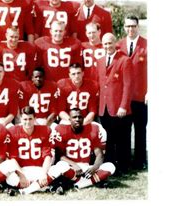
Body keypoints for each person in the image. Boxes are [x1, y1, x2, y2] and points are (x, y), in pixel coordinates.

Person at [51, 108, 115, 189]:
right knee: (60, 165)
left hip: (86, 168)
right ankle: (90, 182)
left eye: (80, 117)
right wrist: (74, 165)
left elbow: (100, 155)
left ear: (83, 119)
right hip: (71, 167)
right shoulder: (62, 130)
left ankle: (78, 184)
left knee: (110, 166)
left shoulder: (92, 130)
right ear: (69, 119)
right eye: (74, 117)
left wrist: (94, 168)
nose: (77, 119)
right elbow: (60, 155)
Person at [96, 33, 133, 175]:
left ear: (115, 43)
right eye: (105, 44)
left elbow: (128, 85)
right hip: (104, 107)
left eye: (110, 43)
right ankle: (110, 166)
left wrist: (123, 105)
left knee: (121, 138)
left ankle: (124, 166)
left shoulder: (124, 60)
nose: (107, 46)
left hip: (118, 107)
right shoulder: (100, 61)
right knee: (109, 138)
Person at [5, 106, 61, 195]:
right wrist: (22, 176)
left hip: (40, 169)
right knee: (8, 174)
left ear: (35, 118)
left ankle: (26, 189)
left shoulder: (45, 130)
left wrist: (43, 173)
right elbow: (13, 158)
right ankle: (42, 186)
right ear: (20, 119)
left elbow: (47, 155)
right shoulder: (13, 131)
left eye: (30, 119)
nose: (27, 122)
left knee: (61, 166)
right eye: (25, 119)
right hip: (22, 170)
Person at [117, 15, 148, 170]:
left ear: (138, 27)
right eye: (128, 26)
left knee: (140, 128)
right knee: (124, 129)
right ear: (124, 27)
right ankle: (125, 160)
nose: (130, 29)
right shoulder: (119, 45)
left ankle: (140, 160)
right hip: (124, 97)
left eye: (133, 26)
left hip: (141, 95)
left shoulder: (147, 45)